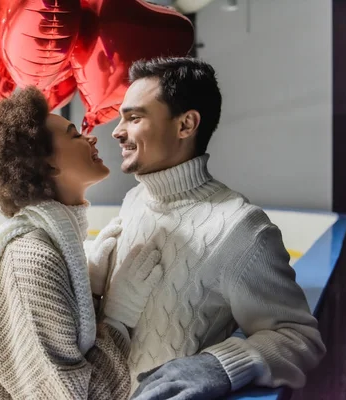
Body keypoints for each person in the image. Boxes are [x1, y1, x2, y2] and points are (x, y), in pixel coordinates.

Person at [86, 57, 326, 400]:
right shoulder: (135, 200)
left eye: (134, 117)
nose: (117, 130)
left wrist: (220, 365)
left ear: (186, 125)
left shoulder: (241, 228)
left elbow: (298, 337)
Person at [0, 87, 162, 400]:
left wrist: (94, 295)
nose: (92, 138)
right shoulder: (33, 258)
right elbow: (79, 395)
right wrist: (119, 316)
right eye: (75, 135)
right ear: (47, 165)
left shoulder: (53, 245)